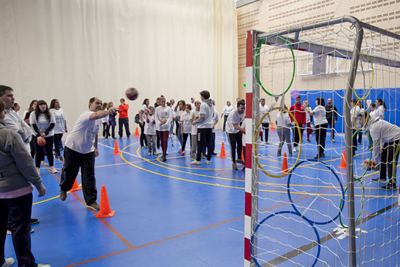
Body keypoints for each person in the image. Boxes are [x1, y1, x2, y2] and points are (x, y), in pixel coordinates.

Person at [0, 99, 50, 267]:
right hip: (16, 189)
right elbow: (25, 162)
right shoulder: (8, 135)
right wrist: (38, 183)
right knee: (20, 229)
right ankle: (26, 264)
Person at [59, 97, 117, 210]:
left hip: (88, 152)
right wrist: (109, 111)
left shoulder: (99, 119)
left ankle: (91, 201)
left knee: (89, 176)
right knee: (70, 174)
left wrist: (95, 147)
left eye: (101, 103)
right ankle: (64, 188)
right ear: (90, 104)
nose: (99, 105)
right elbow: (96, 115)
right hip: (73, 149)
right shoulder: (86, 115)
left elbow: (94, 133)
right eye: (97, 103)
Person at [368, 116, 400, 189]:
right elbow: (381, 135)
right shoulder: (373, 124)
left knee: (391, 160)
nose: (358, 121)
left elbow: (375, 144)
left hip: (397, 138)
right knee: (383, 156)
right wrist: (382, 147)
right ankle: (382, 177)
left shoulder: (374, 127)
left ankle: (392, 183)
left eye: (360, 119)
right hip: (388, 139)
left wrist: (375, 160)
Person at [30, 100, 57, 174]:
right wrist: (38, 135)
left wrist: (46, 132)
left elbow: (52, 124)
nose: (43, 106)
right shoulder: (33, 114)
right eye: (41, 105)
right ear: (38, 106)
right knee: (38, 151)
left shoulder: (50, 113)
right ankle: (37, 168)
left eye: (44, 104)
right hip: (37, 135)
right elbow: (33, 125)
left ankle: (52, 167)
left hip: (48, 135)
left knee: (49, 151)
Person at [191, 90, 214, 165]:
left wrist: (195, 122)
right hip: (209, 127)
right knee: (209, 143)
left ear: (203, 96)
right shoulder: (211, 104)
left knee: (200, 143)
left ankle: (198, 160)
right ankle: (208, 159)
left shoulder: (203, 104)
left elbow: (202, 117)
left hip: (202, 127)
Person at [225, 100, 246, 170]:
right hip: (230, 131)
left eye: (243, 108)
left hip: (237, 130)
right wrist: (243, 129)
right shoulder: (233, 114)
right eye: (241, 108)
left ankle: (239, 158)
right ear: (237, 107)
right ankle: (233, 162)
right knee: (233, 146)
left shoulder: (243, 112)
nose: (243, 109)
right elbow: (234, 126)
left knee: (240, 144)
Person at [155, 97, 172, 161]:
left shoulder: (168, 108)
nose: (163, 102)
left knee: (165, 140)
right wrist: (159, 123)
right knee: (161, 140)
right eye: (162, 101)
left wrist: (166, 123)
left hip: (166, 127)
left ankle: (164, 153)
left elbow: (170, 117)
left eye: (164, 101)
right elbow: (156, 117)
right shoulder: (157, 109)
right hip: (160, 126)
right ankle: (163, 151)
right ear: (160, 101)